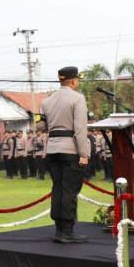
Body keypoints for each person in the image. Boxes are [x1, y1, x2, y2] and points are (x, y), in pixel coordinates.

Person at [36, 66, 89, 243]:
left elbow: (40, 127)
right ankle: (67, 231)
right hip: (70, 149)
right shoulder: (78, 98)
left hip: (52, 149)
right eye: (78, 80)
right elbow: (80, 129)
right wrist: (83, 153)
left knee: (57, 189)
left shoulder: (47, 101)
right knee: (69, 191)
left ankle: (59, 230)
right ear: (74, 80)